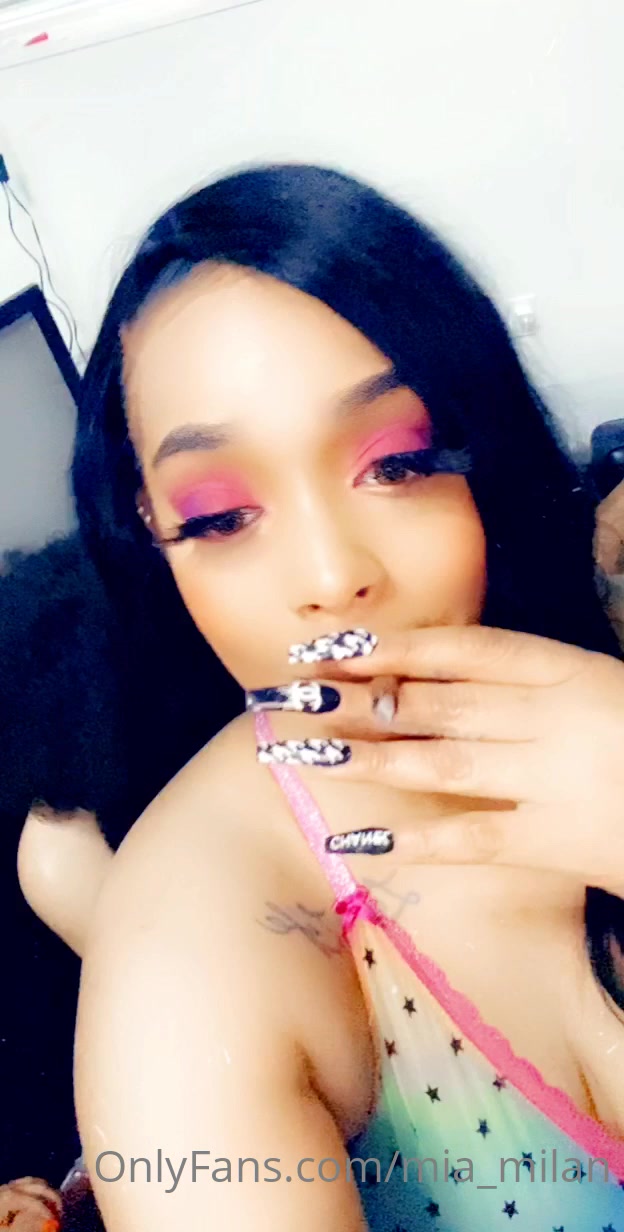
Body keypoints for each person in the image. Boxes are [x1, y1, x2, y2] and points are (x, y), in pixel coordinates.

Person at [16, 163, 624, 1231]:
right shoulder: (189, 961)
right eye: (221, 515)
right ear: (153, 538)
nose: (333, 574)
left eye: (397, 463)